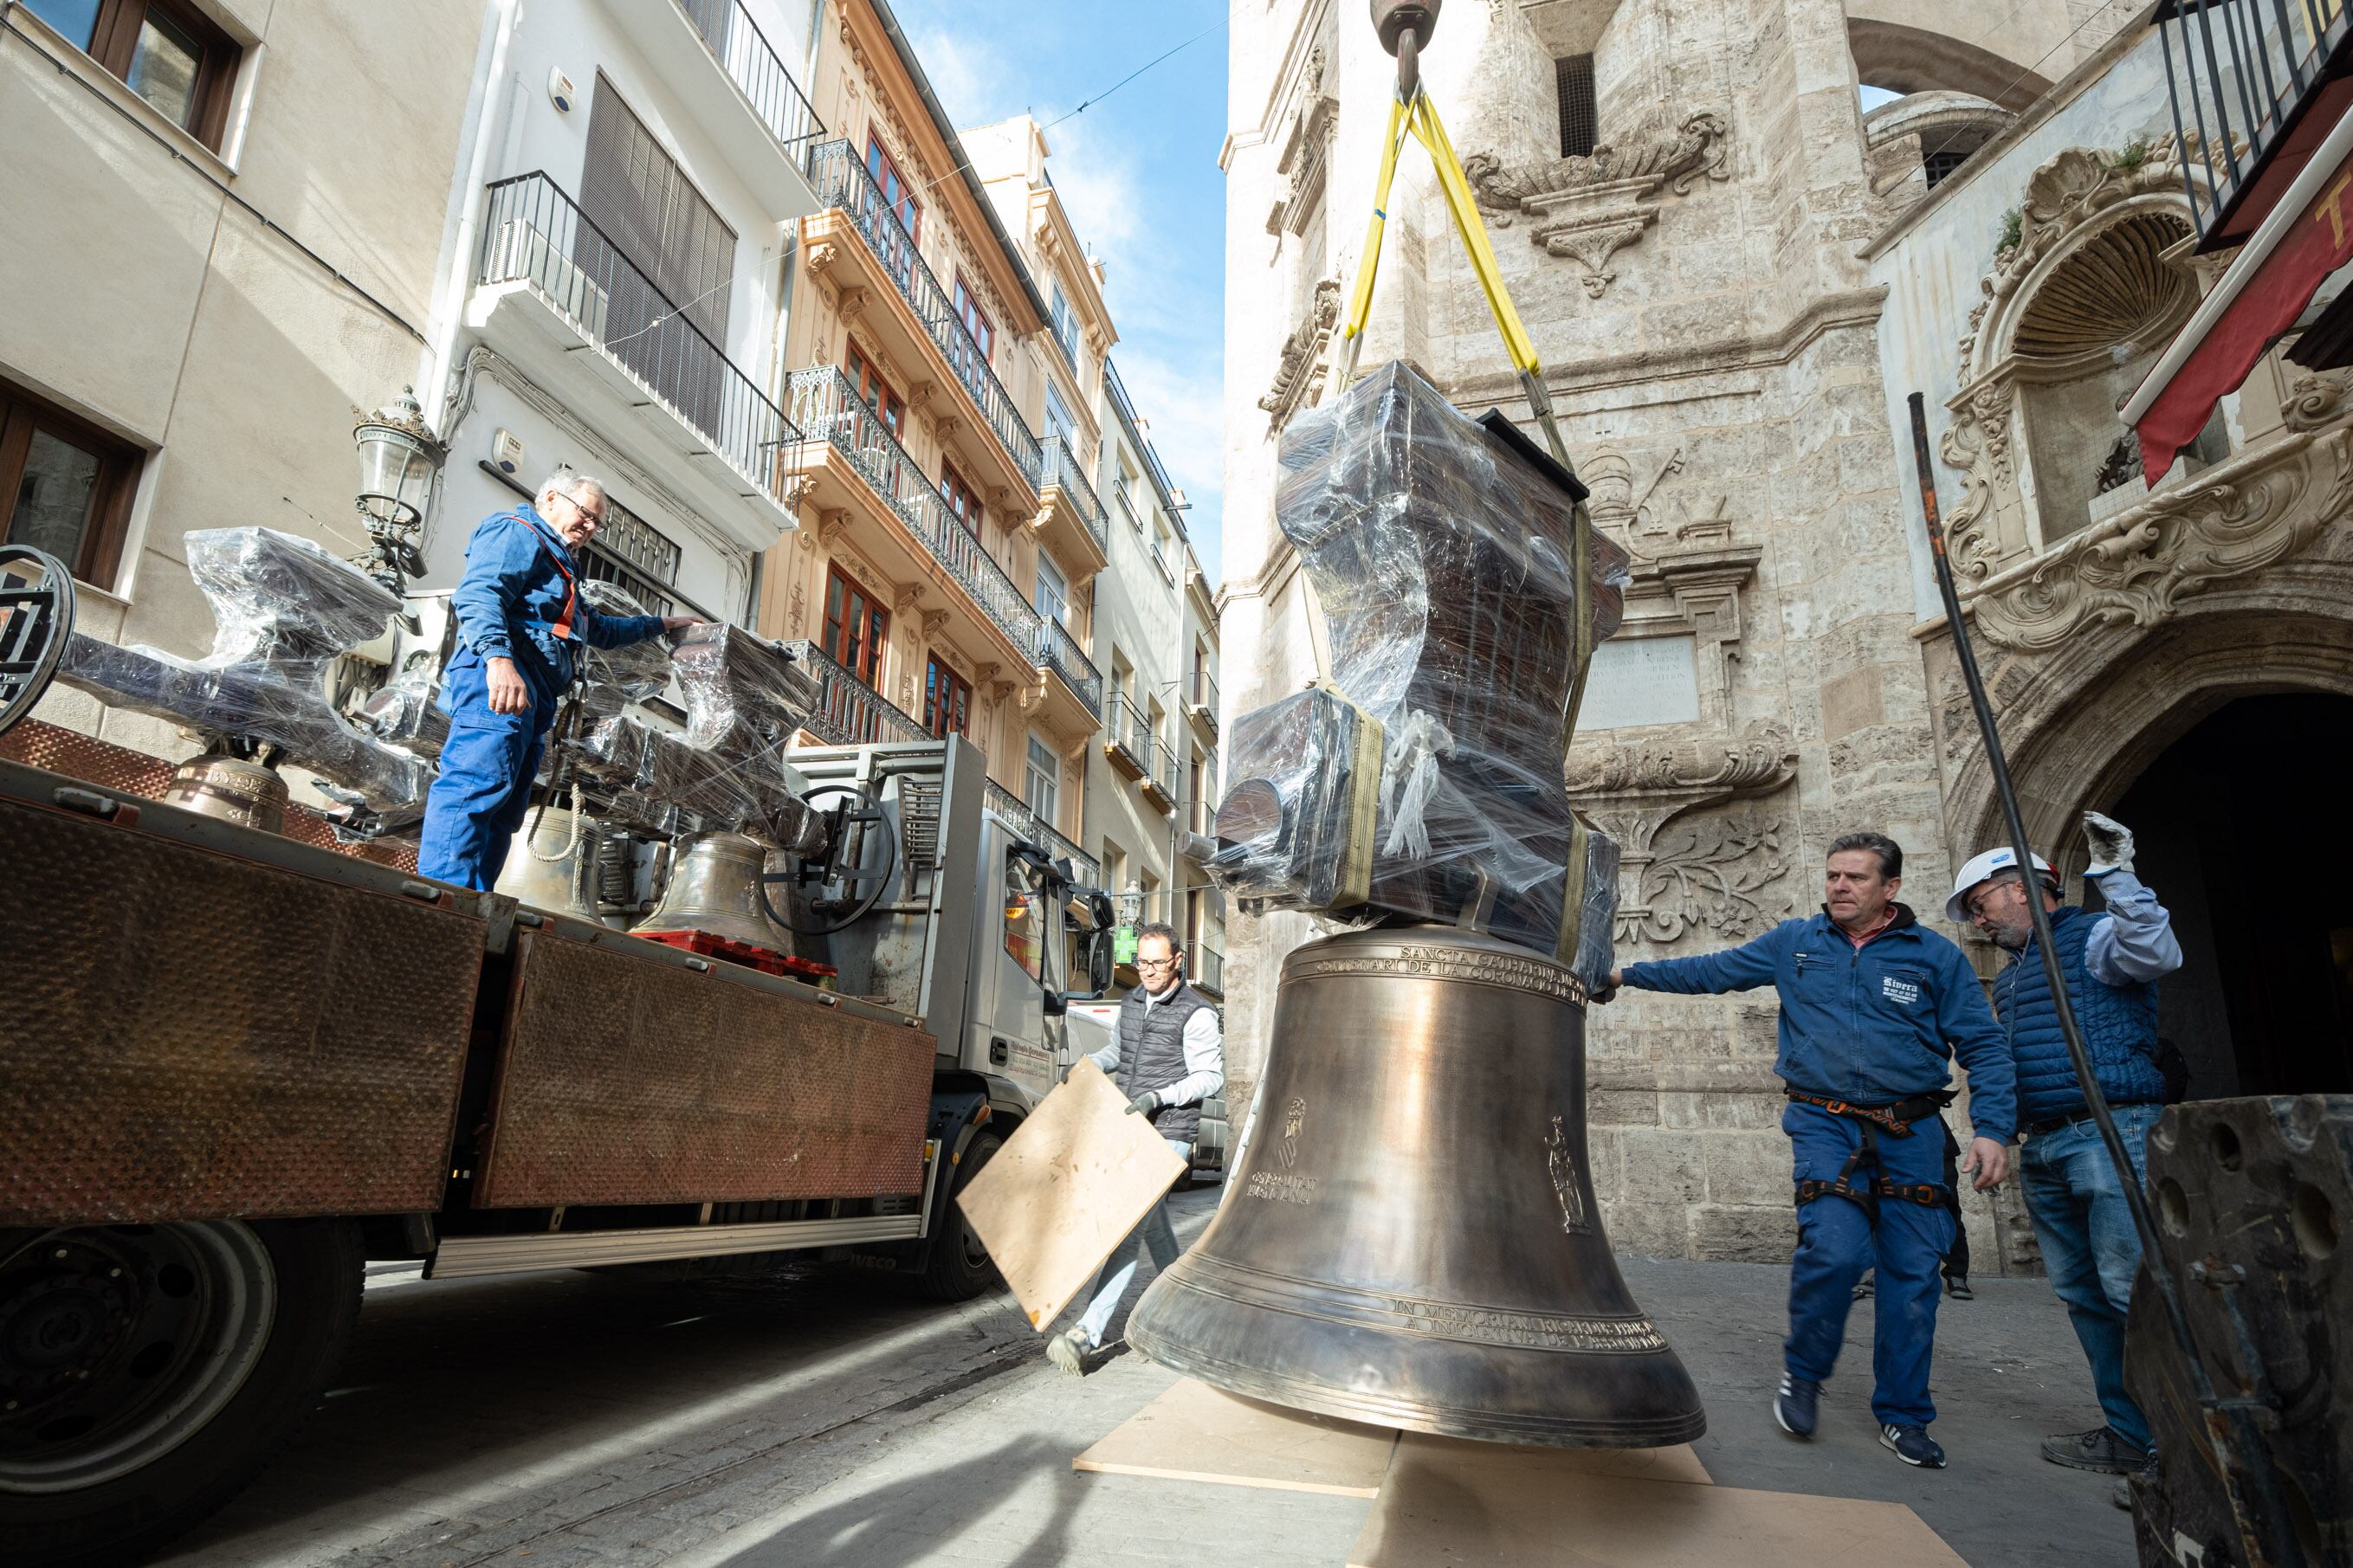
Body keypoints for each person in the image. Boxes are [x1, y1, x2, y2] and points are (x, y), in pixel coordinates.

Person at [1599, 832, 2016, 1468]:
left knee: (1910, 1281)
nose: (1838, 886)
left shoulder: (1933, 956)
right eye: (1831, 876)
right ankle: (1803, 1372)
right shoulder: (1795, 943)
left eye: (1853, 877)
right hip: (1826, 1124)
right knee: (1834, 1251)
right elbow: (1711, 971)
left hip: (1913, 1132)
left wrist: (1991, 1127)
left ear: (1890, 888)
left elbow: (1982, 1044)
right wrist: (1623, 973)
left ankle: (1903, 1415)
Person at [1949, 811, 2182, 1505]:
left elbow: (2154, 950)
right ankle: (2129, 1432)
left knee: (2132, 1292)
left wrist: (2117, 876)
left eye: (1979, 903)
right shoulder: (2015, 974)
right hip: (2048, 1145)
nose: (1975, 920)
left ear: (2019, 887)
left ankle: (2183, 1448)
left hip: (2110, 1133)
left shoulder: (2093, 939)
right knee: (2086, 1298)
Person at [418, 474, 697, 889]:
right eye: (586, 515)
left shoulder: (561, 563)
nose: (590, 528)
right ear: (551, 498)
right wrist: (499, 662)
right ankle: (441, 892)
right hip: (500, 679)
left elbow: (594, 629)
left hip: (535, 692)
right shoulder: (516, 531)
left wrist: (660, 624)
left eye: (596, 523)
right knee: (477, 783)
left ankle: (474, 899)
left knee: (508, 805)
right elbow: (479, 595)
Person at [1045, 922, 1224, 1376]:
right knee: (1153, 1225)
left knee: (1127, 1228)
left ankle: (1086, 1334)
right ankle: (1189, 1314)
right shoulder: (1132, 1002)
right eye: (1141, 962)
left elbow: (1210, 1077)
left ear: (1178, 961)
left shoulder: (1196, 1013)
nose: (1147, 971)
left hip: (1171, 1131)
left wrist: (1158, 1096)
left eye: (1157, 963)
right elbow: (1120, 1052)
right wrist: (1088, 1065)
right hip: (1129, 1126)